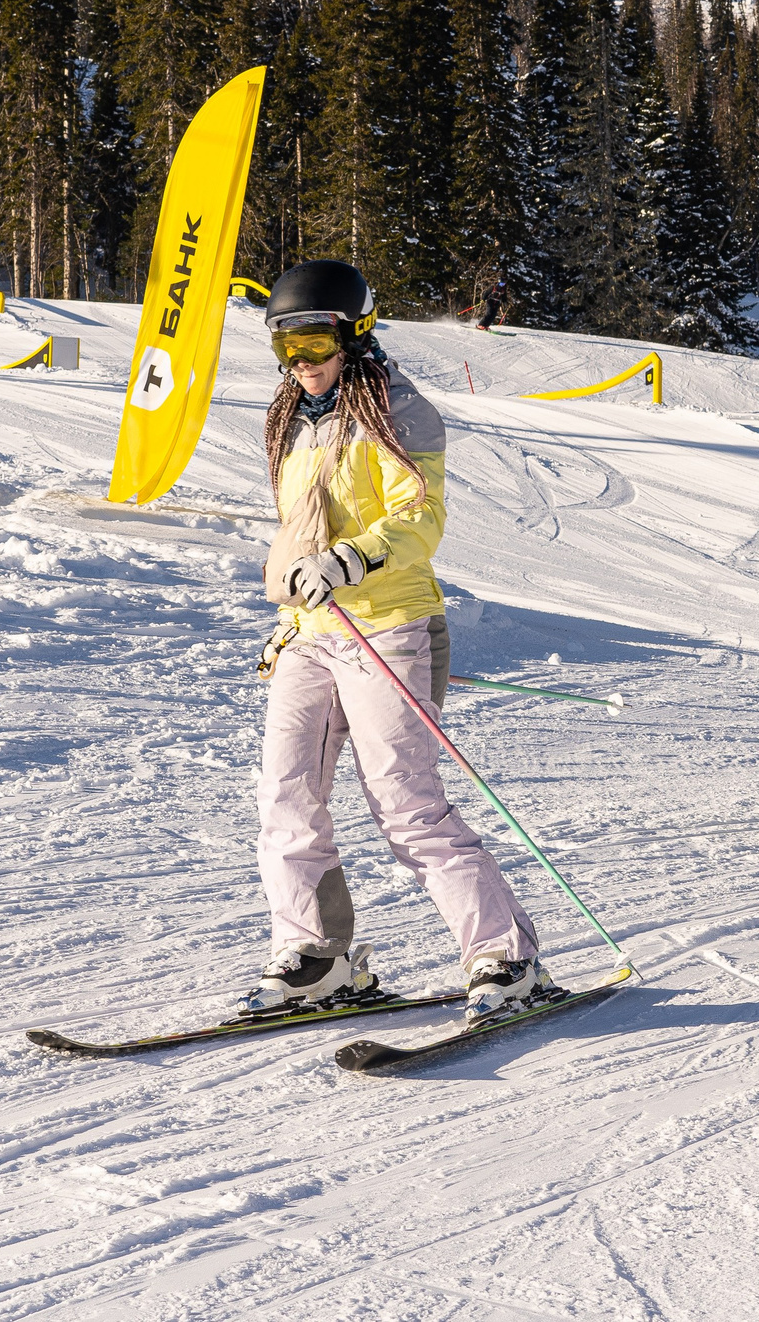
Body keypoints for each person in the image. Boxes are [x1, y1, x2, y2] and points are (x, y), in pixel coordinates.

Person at [244, 259, 550, 1024]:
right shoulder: (290, 419)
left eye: (315, 343)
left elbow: (422, 519)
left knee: (406, 805)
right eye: (287, 348)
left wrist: (352, 559)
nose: (303, 364)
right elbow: (300, 527)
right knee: (286, 797)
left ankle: (503, 956)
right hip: (311, 631)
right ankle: (318, 955)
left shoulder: (397, 412)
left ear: (356, 332)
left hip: (392, 624)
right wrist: (296, 591)